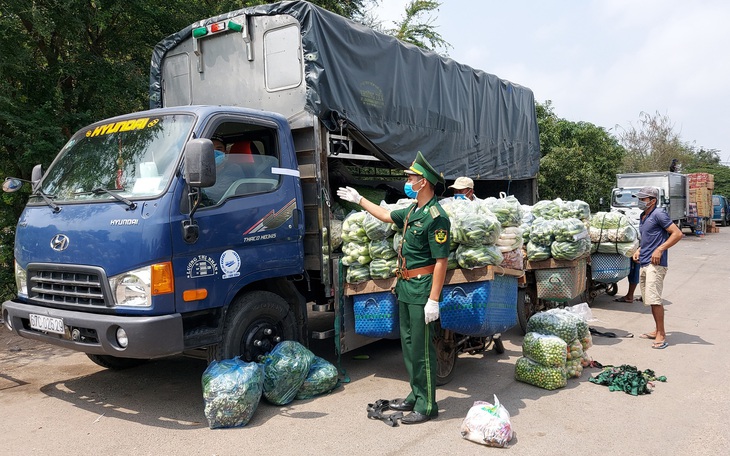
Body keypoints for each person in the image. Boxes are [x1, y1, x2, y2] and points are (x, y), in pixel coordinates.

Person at [337, 152, 449, 424]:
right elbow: (386, 216)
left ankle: (427, 405)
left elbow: (441, 261)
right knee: (409, 346)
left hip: (423, 289)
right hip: (406, 286)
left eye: (412, 177)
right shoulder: (413, 211)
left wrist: (434, 299)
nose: (408, 180)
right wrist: (359, 200)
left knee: (422, 350)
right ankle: (415, 394)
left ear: (425, 182)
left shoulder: (436, 217)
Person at [633, 186, 682, 349]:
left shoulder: (659, 214)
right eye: (639, 198)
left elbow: (677, 233)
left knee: (655, 300)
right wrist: (639, 249)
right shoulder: (643, 215)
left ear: (652, 200)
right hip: (645, 262)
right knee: (649, 300)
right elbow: (648, 238)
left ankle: (661, 333)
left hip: (656, 264)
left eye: (643, 199)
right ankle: (656, 330)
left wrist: (660, 249)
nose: (640, 202)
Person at [203, 135, 243, 203]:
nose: (214, 152)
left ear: (226, 152)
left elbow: (216, 192)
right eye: (210, 149)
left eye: (218, 149)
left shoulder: (234, 168)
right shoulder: (203, 168)